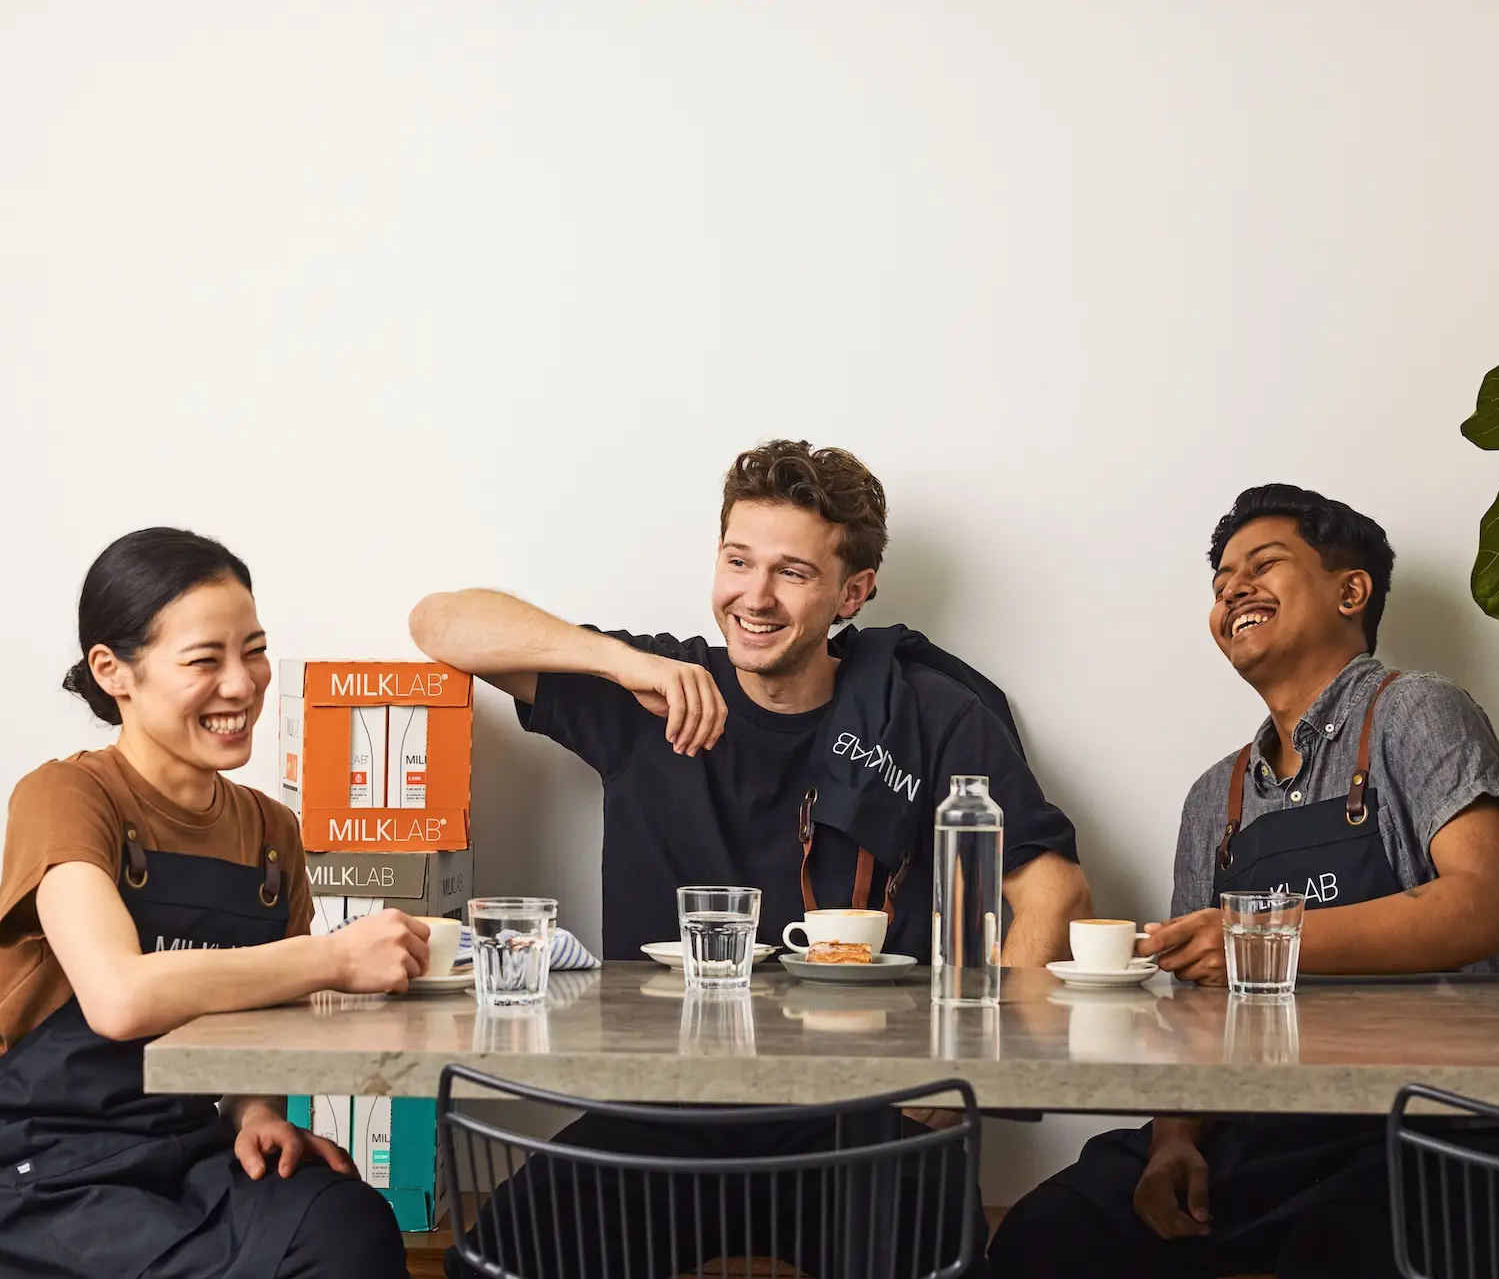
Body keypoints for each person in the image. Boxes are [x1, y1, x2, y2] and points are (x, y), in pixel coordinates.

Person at [413, 439, 1092, 1277]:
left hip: (860, 1122)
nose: (754, 596)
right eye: (738, 560)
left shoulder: (929, 713)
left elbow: (1054, 889)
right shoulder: (651, 690)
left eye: (793, 572)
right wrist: (619, 661)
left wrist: (954, 1078)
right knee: (488, 1266)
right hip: (662, 1116)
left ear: (854, 591)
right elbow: (438, 622)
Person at [988, 484, 1499, 1279]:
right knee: (1045, 1235)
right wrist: (1176, 1137)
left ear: (1350, 590)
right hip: (1271, 1130)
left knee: (1340, 1254)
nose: (1233, 590)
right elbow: (1195, 1010)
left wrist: (1260, 940)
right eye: (1221, 584)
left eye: (1264, 565)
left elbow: (1496, 907)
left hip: (1436, 1128)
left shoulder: (1417, 713)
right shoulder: (1215, 796)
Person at [0, 528, 428, 1279]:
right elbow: (119, 998)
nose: (242, 683)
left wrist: (256, 1111)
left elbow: (266, 1019)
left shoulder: (270, 831)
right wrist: (332, 956)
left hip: (179, 1144)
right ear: (113, 670)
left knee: (350, 1223)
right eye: (205, 660)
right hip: (36, 1164)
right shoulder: (68, 797)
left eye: (253, 650)